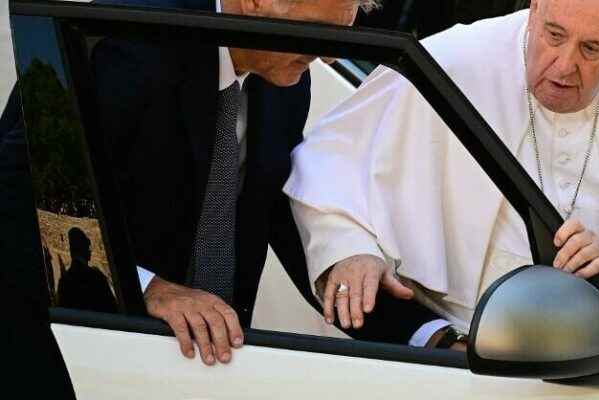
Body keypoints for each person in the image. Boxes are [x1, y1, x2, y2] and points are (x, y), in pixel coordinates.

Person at [285, 0, 599, 361]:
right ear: (534, 9)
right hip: (461, 360)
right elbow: (328, 163)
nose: (563, 65)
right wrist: (350, 248)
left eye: (592, 49)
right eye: (553, 35)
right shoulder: (456, 59)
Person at [90, 0, 440, 366]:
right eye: (321, 32)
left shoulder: (283, 81)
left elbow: (279, 211)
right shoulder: (129, 42)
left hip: (207, 364)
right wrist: (145, 286)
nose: (330, 58)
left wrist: (426, 335)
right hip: (99, 348)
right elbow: (30, 195)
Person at [56, 227, 118, 313]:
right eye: (88, 247)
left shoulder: (63, 281)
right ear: (83, 247)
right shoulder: (96, 276)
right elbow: (112, 309)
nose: (90, 251)